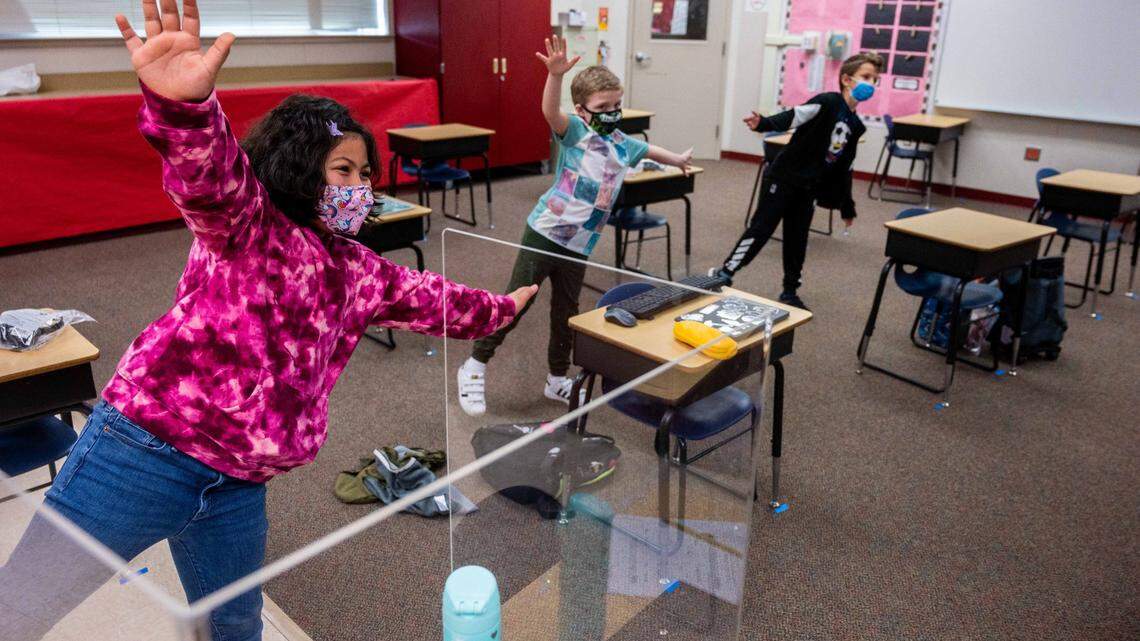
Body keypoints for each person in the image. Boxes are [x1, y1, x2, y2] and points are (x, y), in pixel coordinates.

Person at [0, 2, 536, 640]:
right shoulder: (248, 225)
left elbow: (433, 298)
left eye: (366, 174)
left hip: (239, 482)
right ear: (299, 166)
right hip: (145, 451)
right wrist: (185, 108)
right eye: (343, 171)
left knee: (235, 623)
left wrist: (503, 309)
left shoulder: (361, 268)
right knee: (21, 609)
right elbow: (207, 174)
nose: (360, 187)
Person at [455, 36, 693, 417]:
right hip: (546, 233)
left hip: (580, 244)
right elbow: (550, 111)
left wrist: (677, 159)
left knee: (567, 314)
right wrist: (554, 77)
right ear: (583, 111)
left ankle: (556, 378)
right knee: (516, 303)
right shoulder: (577, 134)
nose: (613, 112)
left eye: (617, 105)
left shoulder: (622, 144)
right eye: (604, 107)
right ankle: (475, 365)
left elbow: (649, 151)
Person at [712, 52, 884, 311]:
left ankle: (790, 290)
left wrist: (846, 206)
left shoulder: (856, 125)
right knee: (762, 227)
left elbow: (844, 169)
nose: (871, 83)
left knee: (797, 238)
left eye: (875, 79)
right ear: (847, 79)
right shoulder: (828, 102)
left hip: (809, 187)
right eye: (866, 77)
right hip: (784, 177)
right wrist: (764, 124)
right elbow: (795, 116)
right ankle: (725, 272)